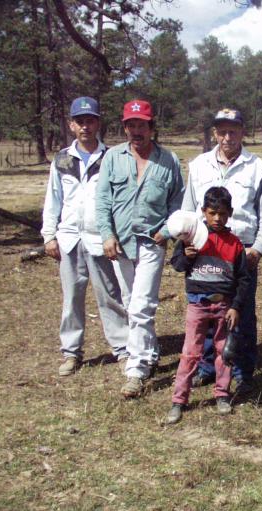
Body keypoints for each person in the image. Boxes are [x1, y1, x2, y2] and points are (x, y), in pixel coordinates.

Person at [182, 108, 262, 394]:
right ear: (214, 133)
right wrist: (187, 243)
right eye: (222, 131)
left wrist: (257, 250)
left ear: (242, 132)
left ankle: (244, 371)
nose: (227, 137)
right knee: (208, 309)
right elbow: (188, 209)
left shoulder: (257, 168)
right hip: (206, 253)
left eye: (233, 131)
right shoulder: (198, 166)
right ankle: (210, 367)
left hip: (241, 254)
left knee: (241, 313)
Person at [96, 99, 185, 398]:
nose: (136, 130)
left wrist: (167, 230)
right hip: (120, 243)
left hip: (151, 242)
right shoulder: (112, 157)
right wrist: (107, 235)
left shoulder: (168, 160)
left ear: (151, 127)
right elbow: (103, 200)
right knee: (129, 299)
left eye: (141, 125)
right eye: (130, 125)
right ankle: (148, 351)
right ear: (124, 127)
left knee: (141, 305)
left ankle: (136, 370)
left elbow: (177, 200)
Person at [42, 96, 128, 376]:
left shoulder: (112, 158)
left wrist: (113, 235)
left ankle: (123, 348)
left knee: (109, 296)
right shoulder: (62, 160)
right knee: (72, 298)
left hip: (99, 238)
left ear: (98, 123)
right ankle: (71, 352)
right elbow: (53, 200)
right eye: (80, 121)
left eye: (90, 120)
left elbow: (118, 200)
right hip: (69, 239)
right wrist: (49, 235)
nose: (85, 126)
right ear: (71, 125)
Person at [165, 188, 250, 424]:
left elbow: (244, 279)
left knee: (225, 352)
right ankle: (179, 400)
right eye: (212, 213)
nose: (217, 218)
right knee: (191, 352)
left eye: (222, 213)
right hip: (197, 305)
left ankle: (222, 394)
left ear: (230, 213)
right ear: (203, 212)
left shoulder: (235, 244)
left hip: (223, 306)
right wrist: (187, 255)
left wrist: (236, 306)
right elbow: (178, 265)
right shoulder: (191, 236)